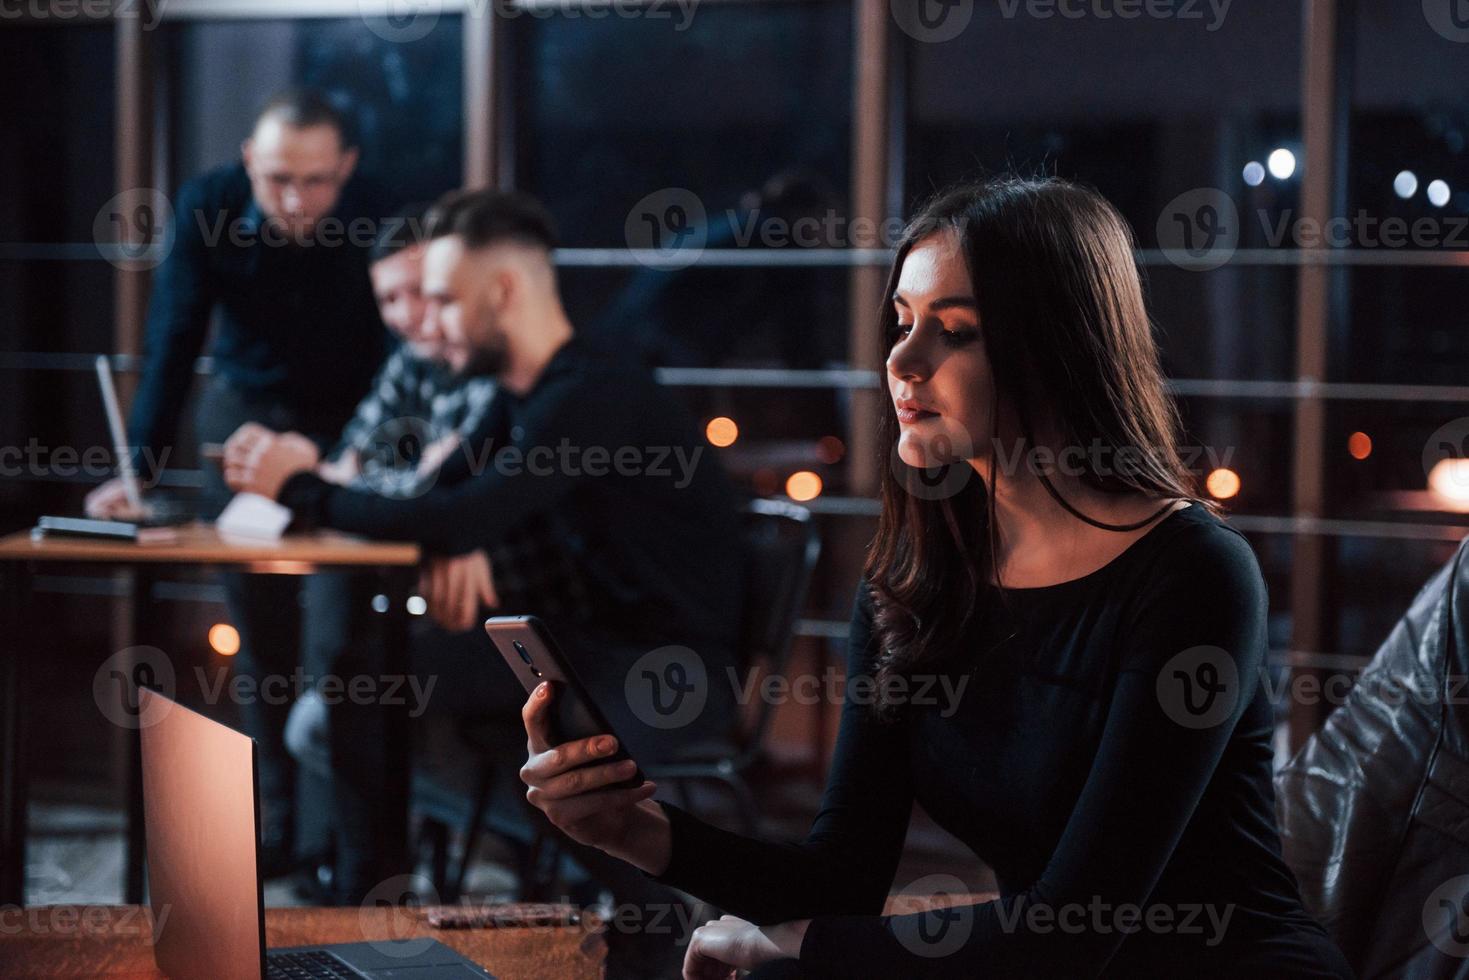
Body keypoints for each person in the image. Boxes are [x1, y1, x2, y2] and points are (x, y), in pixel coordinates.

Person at [515, 177, 1357, 978]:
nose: (903, 361)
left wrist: (796, 947)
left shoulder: (1195, 575)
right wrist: (636, 831)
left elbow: (1070, 931)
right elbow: (841, 876)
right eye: (902, 320)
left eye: (954, 331)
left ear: (1060, 347)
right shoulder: (914, 581)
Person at [224, 188, 746, 977]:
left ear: (500, 292)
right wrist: (451, 530)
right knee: (370, 680)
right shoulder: (517, 399)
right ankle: (603, 886)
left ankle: (398, 908)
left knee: (376, 681)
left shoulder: (592, 394)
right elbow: (443, 508)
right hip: (576, 658)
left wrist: (298, 486)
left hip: (663, 673)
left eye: (443, 299)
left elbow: (461, 513)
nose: (428, 322)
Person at [85, 88, 393, 877]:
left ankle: (348, 855)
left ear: (347, 167)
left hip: (345, 432)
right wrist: (141, 469)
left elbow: (405, 348)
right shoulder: (210, 203)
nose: (297, 200)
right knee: (262, 649)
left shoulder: (383, 209)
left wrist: (363, 454)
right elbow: (175, 332)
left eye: (318, 181)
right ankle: (279, 835)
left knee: (340, 648)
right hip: (244, 425)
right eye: (279, 179)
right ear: (249, 162)